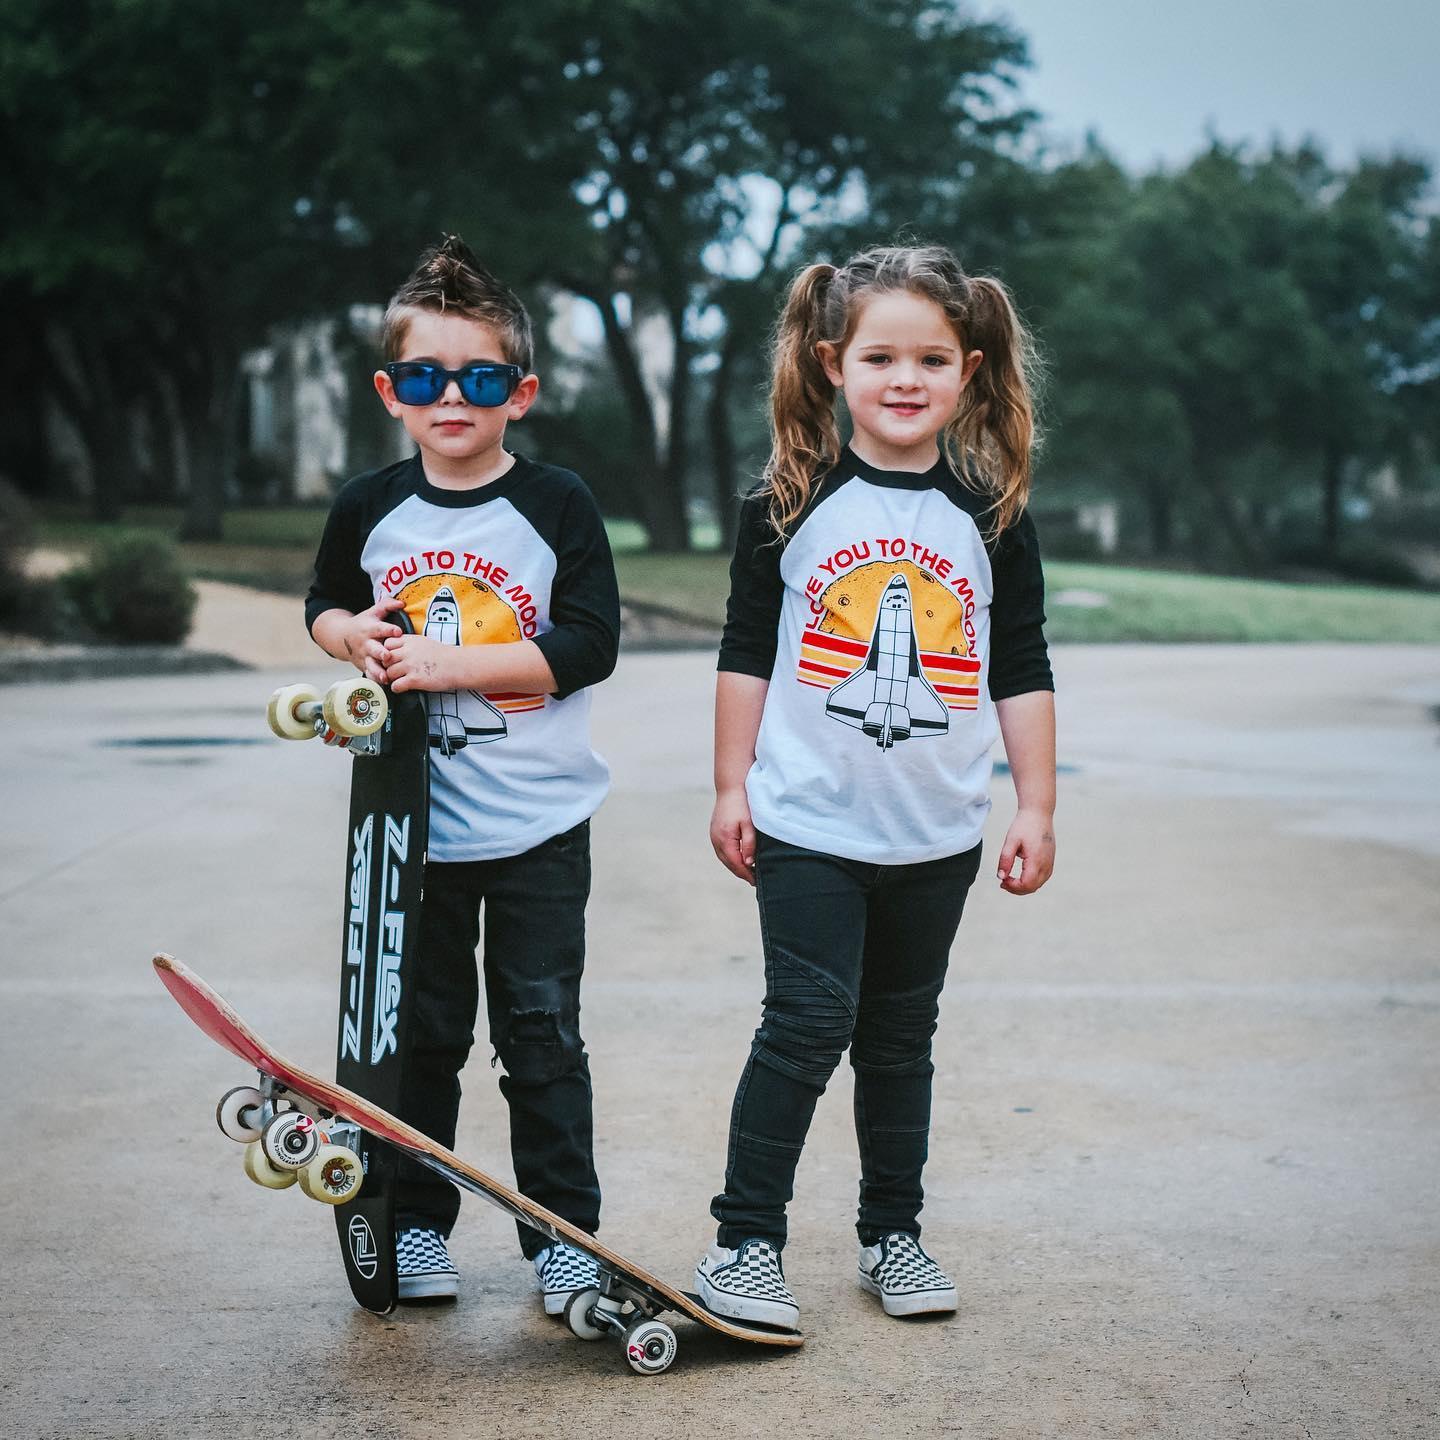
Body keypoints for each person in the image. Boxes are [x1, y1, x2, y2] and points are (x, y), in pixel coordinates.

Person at [695, 244, 1056, 1330]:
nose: (907, 379)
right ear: (832, 363)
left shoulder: (991, 516)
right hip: (809, 821)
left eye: (933, 359)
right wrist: (729, 785)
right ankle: (744, 1247)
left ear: (972, 371)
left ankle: (892, 1236)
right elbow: (746, 651)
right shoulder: (790, 499)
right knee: (804, 1023)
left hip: (936, 833)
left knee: (901, 1039)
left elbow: (1021, 665)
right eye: (881, 356)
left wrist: (1034, 803)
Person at [305, 236, 619, 1311]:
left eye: (480, 378)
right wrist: (354, 635)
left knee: (541, 1038)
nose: (454, 397)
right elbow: (326, 607)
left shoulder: (557, 504)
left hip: (537, 827)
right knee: (421, 1042)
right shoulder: (369, 505)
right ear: (392, 392)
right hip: (413, 831)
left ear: (519, 393)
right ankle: (416, 1225)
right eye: (428, 378)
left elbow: (588, 645)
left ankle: (564, 1236)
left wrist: (449, 662)